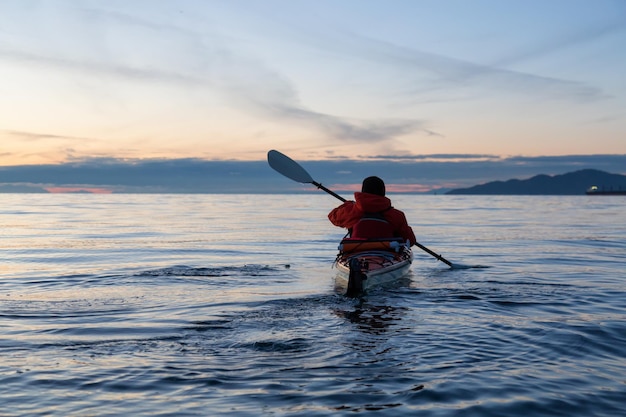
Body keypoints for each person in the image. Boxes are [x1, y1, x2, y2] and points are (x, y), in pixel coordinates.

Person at [328, 176, 417, 245]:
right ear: (383, 192)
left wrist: (349, 205)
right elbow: (410, 241)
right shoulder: (397, 215)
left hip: (357, 254)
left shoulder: (351, 211)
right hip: (388, 255)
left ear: (363, 191)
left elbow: (332, 216)